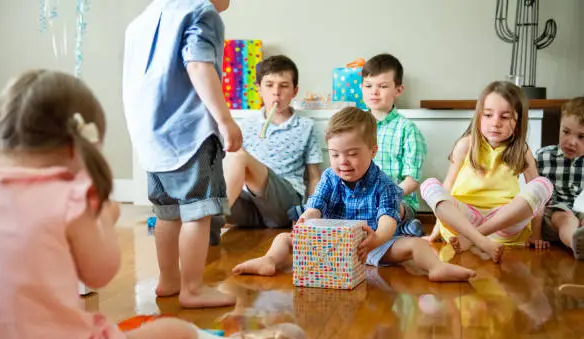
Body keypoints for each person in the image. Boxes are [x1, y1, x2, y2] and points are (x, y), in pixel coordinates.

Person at [0, 70, 308, 339]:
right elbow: (99, 272)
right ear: (78, 148)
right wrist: (104, 217)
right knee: (171, 335)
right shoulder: (70, 197)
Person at [233, 107, 476, 282]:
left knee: (415, 246)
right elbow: (316, 205)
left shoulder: (385, 185)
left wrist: (376, 240)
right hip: (331, 244)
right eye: (335, 154)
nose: (343, 162)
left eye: (352, 153)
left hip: (371, 245)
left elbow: (387, 222)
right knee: (284, 239)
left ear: (373, 151)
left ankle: (436, 268)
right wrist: (308, 217)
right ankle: (269, 261)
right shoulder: (329, 177)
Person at [122, 0, 242, 306]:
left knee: (167, 212)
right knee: (197, 212)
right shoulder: (201, 11)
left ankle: (169, 280)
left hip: (151, 134)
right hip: (189, 132)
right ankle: (192, 289)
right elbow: (198, 64)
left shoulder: (140, 22)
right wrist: (225, 120)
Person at [421, 81, 553, 263]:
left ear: (518, 121)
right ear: (478, 116)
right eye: (488, 115)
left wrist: (536, 234)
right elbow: (448, 187)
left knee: (544, 185)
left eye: (505, 117)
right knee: (429, 185)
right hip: (464, 221)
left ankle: (475, 238)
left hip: (503, 223)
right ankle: (476, 237)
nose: (495, 123)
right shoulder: (466, 144)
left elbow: (537, 201)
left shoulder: (522, 150)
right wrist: (437, 226)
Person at [212, 55, 322, 243]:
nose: (276, 93)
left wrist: (310, 214)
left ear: (294, 91)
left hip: (284, 205)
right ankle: (202, 219)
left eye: (284, 86)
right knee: (213, 173)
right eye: (269, 85)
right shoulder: (246, 125)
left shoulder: (306, 126)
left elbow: (314, 177)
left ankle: (212, 224)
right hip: (251, 207)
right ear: (259, 89)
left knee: (239, 157)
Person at [361, 53, 427, 236]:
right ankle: (402, 229)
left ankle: (402, 226)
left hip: (398, 200)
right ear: (362, 88)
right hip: (362, 197)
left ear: (398, 90)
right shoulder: (356, 125)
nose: (374, 91)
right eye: (368, 86)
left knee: (389, 209)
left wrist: (386, 196)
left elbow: (412, 180)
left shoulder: (407, 129)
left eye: (382, 86)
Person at [536, 97, 584, 259]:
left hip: (580, 212)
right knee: (567, 218)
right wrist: (535, 234)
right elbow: (533, 195)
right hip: (554, 213)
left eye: (581, 137)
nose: (571, 142)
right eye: (566, 132)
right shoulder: (543, 156)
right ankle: (576, 244)